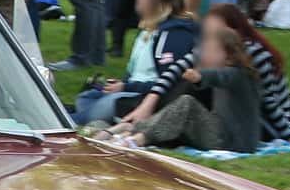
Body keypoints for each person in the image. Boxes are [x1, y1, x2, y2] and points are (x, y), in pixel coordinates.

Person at [111, 18, 262, 152]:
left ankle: (138, 138)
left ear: (228, 53)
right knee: (182, 109)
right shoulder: (229, 70)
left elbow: (221, 77)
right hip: (222, 132)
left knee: (187, 103)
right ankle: (132, 130)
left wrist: (200, 76)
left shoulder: (240, 75)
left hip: (235, 142)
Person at [75, 0, 199, 124]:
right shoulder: (146, 31)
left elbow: (169, 84)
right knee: (87, 97)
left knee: (94, 110)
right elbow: (134, 73)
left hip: (142, 99)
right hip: (129, 92)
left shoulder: (175, 35)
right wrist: (121, 84)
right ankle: (90, 118)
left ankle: (70, 121)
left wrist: (127, 87)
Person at [209, 0, 290, 140]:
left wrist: (287, 136)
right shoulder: (228, 48)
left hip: (266, 123)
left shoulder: (253, 53)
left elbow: (268, 100)